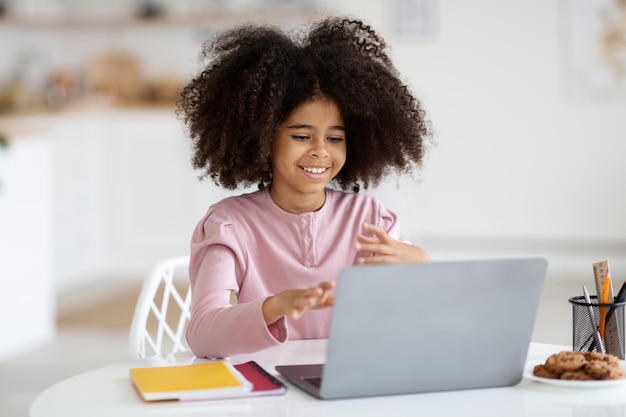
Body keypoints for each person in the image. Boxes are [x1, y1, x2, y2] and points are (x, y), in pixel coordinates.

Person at [177, 16, 432, 359]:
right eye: (301, 135)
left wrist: (422, 265)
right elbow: (203, 336)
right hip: (268, 395)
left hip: (353, 383)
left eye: (335, 137)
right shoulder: (229, 225)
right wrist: (275, 306)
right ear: (263, 139)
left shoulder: (371, 218)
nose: (320, 150)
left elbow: (404, 323)